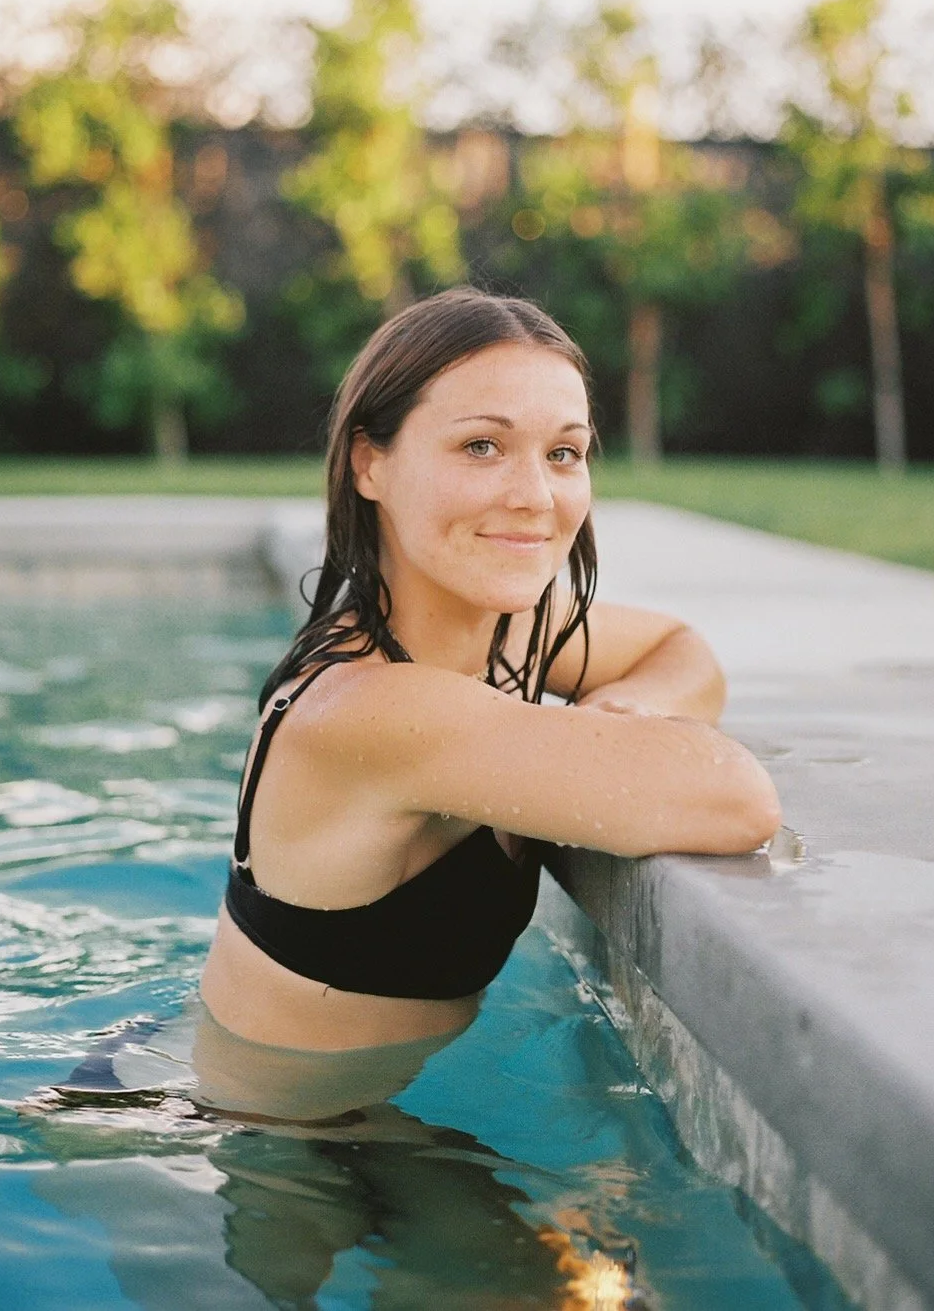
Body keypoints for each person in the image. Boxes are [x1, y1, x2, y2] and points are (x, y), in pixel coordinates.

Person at [194, 286, 780, 1119]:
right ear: (370, 462)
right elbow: (738, 797)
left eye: (564, 453)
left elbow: (682, 651)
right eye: (481, 446)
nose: (535, 495)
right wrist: (574, 739)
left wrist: (612, 717)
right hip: (265, 1138)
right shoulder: (368, 709)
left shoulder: (509, 638)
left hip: (370, 1121)